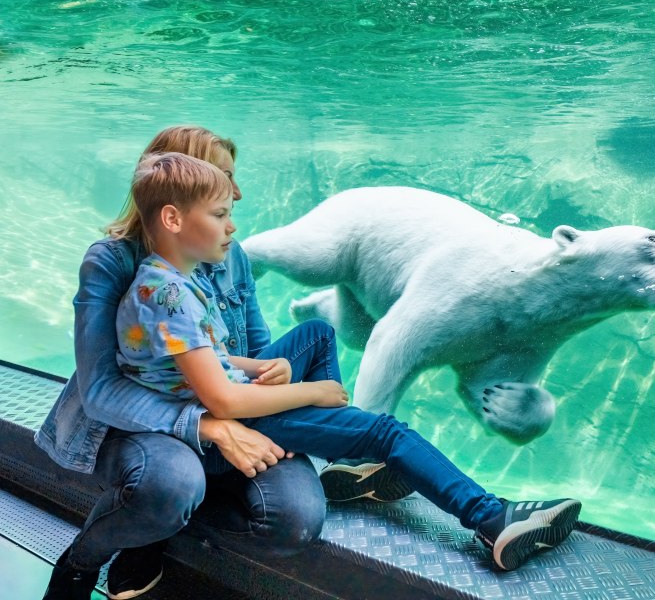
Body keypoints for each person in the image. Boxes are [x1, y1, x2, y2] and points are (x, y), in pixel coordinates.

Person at [62, 151, 580, 596]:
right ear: (174, 219)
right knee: (383, 430)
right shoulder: (168, 292)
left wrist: (263, 365)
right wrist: (313, 392)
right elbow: (221, 401)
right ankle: (491, 519)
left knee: (317, 335)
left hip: (216, 395)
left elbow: (192, 353)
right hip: (212, 416)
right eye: (221, 212)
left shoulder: (178, 278)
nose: (234, 223)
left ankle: (345, 456)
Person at [38, 127, 347, 600]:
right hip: (136, 424)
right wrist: (208, 425)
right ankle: (88, 557)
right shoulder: (113, 262)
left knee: (295, 521)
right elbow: (100, 391)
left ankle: (158, 524)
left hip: (222, 402)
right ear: (175, 200)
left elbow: (254, 350)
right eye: (224, 178)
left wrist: (272, 373)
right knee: (171, 483)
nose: (237, 194)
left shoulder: (231, 253)